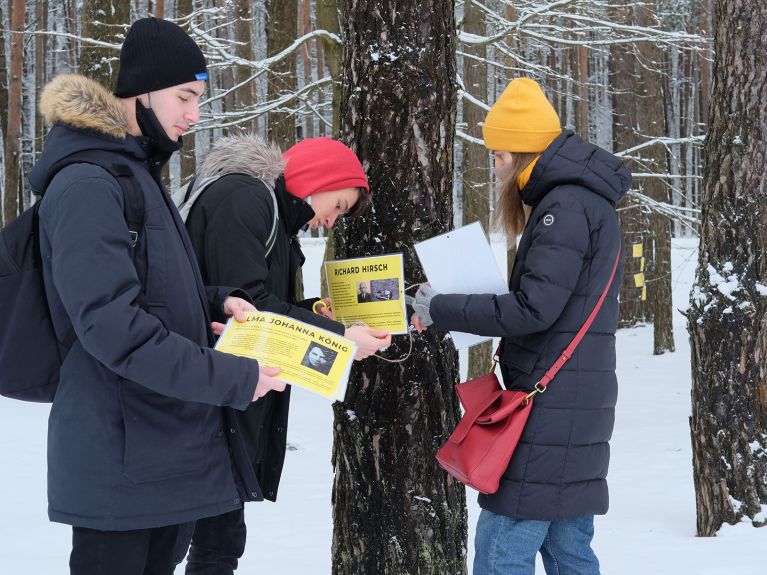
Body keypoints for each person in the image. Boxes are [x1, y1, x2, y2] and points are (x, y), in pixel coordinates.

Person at [28, 18, 285, 575]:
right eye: (185, 97)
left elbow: (145, 287)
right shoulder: (88, 184)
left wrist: (217, 303)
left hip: (159, 459)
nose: (194, 114)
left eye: (199, 99)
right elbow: (112, 326)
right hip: (118, 466)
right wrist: (236, 378)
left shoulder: (135, 174)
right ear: (141, 91)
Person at [411, 78, 630, 574]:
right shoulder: (580, 201)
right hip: (573, 407)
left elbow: (534, 310)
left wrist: (443, 307)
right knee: (569, 551)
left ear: (519, 151)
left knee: (500, 553)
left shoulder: (565, 207)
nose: (495, 166)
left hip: (548, 413)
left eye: (497, 154)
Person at [183, 134, 392, 572]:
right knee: (196, 542)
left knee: (219, 539)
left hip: (220, 399)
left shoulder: (271, 214)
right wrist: (339, 337)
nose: (332, 221)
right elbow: (248, 308)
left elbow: (260, 300)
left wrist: (317, 313)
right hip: (199, 404)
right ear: (319, 180)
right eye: (337, 206)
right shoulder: (245, 199)